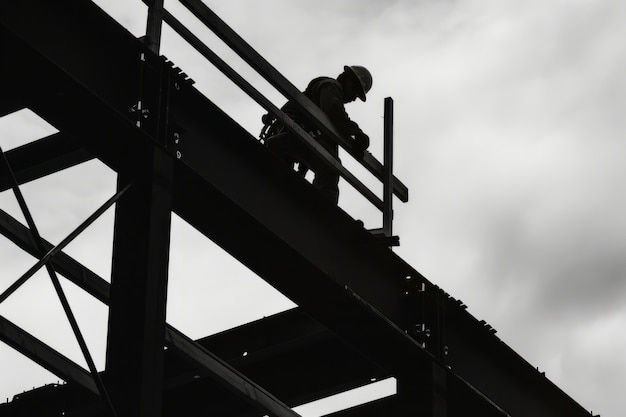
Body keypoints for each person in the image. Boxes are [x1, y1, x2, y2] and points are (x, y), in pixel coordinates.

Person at [261, 65, 373, 204]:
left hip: (290, 137)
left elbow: (330, 138)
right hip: (294, 135)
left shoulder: (323, 106)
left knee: (281, 183)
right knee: (330, 166)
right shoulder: (331, 86)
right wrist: (357, 133)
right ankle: (324, 212)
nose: (354, 98)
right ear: (348, 80)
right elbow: (334, 111)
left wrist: (353, 143)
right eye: (355, 91)